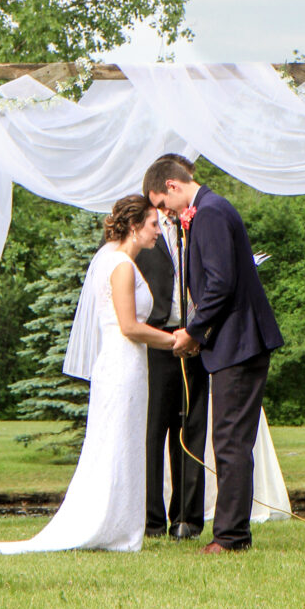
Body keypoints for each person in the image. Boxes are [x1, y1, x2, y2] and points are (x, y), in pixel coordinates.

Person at [0, 195, 175, 555]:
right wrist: (174, 341)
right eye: (154, 225)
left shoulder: (109, 259)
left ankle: (118, 524)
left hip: (121, 364)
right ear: (135, 227)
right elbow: (129, 326)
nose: (158, 232)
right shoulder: (121, 265)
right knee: (120, 441)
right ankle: (116, 529)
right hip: (124, 364)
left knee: (119, 440)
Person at [143, 157, 284, 553]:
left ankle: (231, 536)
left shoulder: (210, 214)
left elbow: (220, 284)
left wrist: (193, 331)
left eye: (163, 204)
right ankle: (232, 532)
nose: (166, 214)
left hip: (239, 344)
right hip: (232, 343)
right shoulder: (207, 212)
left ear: (173, 186)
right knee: (230, 440)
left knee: (230, 442)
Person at [136, 155, 208, 539]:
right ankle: (151, 520)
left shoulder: (197, 220)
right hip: (156, 338)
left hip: (194, 338)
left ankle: (188, 520)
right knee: (153, 432)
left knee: (191, 428)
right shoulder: (140, 228)